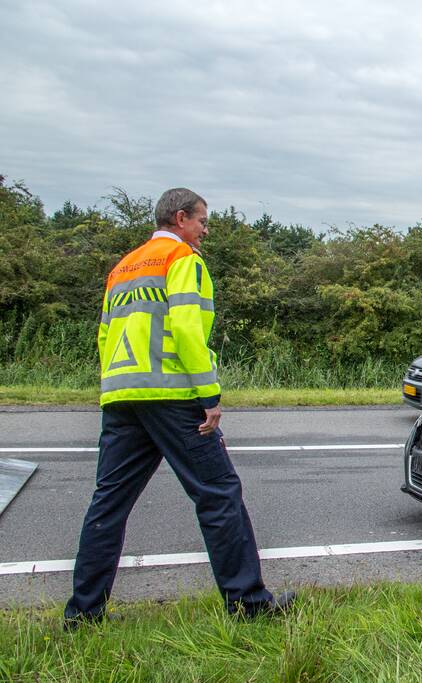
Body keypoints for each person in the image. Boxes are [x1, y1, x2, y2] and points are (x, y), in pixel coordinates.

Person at [64, 188, 294, 630]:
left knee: (108, 504)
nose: (205, 231)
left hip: (122, 397)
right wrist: (209, 394)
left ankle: (83, 614)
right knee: (218, 494)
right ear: (181, 217)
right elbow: (187, 328)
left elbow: (104, 336)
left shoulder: (123, 267)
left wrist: (114, 389)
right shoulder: (182, 259)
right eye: (203, 222)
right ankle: (248, 603)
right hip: (172, 394)